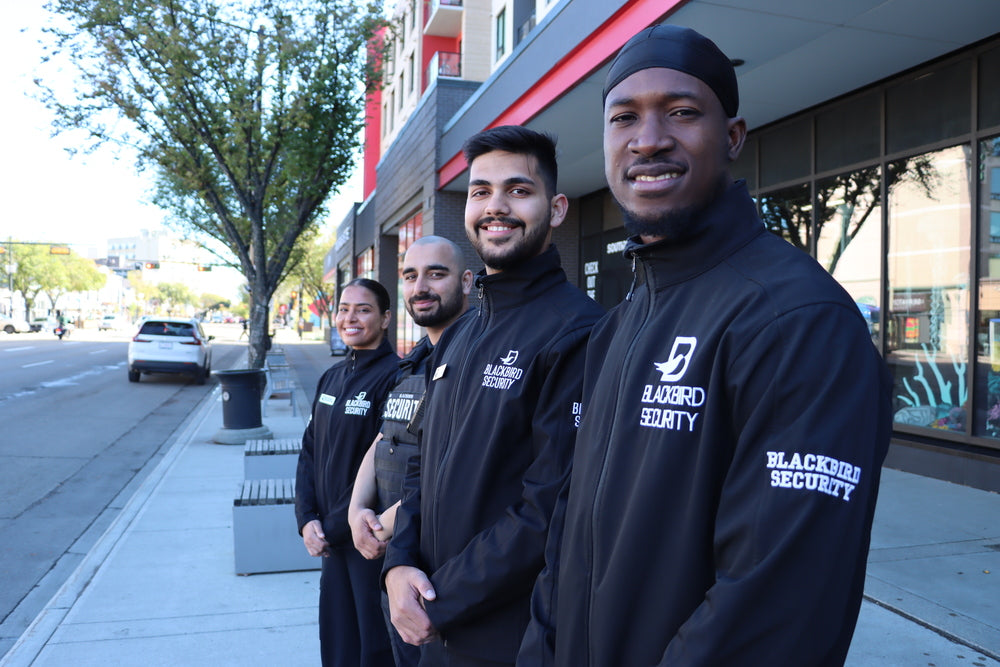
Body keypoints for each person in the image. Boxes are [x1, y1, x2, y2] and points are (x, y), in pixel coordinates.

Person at [517, 24, 893, 666]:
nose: (649, 139)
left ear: (733, 137)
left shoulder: (798, 319)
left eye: (682, 112)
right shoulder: (618, 326)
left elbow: (775, 606)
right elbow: (568, 533)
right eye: (624, 118)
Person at [383, 126, 605, 666]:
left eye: (518, 190)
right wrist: (398, 565)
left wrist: (440, 599)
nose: (496, 207)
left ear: (555, 209)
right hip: (433, 619)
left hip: (511, 637)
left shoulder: (578, 332)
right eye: (481, 191)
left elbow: (552, 509)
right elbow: (422, 467)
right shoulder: (462, 332)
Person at [349, 236, 474, 667]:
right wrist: (355, 508)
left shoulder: (475, 356)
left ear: (467, 281)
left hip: (431, 565)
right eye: (410, 276)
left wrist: (382, 525)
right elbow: (385, 436)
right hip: (391, 553)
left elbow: (458, 465)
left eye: (436, 274)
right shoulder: (414, 359)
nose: (421, 286)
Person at [295, 278, 400, 667]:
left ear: (386, 318)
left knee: (372, 649)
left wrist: (334, 526)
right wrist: (306, 519)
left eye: (363, 309)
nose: (349, 317)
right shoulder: (331, 377)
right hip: (330, 542)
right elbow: (309, 451)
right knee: (337, 645)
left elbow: (386, 468)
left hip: (366, 542)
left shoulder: (397, 377)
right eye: (343, 308)